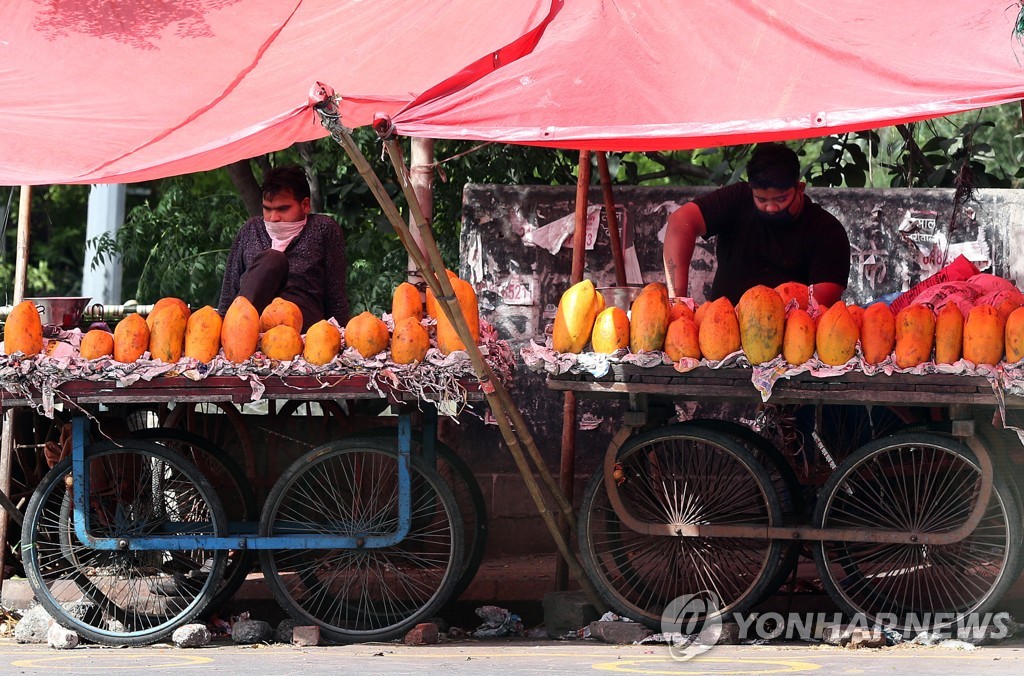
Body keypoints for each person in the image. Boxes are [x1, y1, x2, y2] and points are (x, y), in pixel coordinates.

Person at [662, 143, 851, 307]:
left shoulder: (826, 231)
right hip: (722, 328)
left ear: (799, 189)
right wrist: (676, 299)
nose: (771, 208)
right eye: (761, 199)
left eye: (781, 199)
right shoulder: (737, 199)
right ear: (751, 189)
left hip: (793, 337)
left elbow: (823, 299)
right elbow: (680, 222)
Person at [218, 165, 348, 331]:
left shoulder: (323, 229)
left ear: (305, 205)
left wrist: (342, 337)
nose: (274, 218)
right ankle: (234, 330)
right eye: (267, 209)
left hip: (304, 332)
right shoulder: (251, 230)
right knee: (273, 260)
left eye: (283, 209)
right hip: (249, 331)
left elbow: (335, 296)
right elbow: (229, 292)